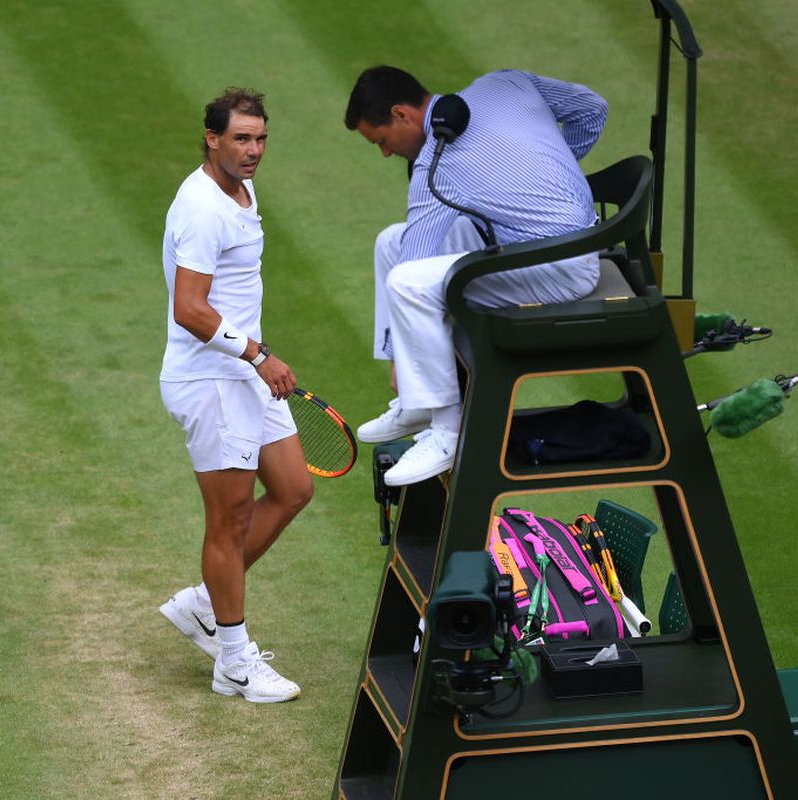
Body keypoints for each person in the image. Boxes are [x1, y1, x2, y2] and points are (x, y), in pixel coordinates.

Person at [344, 66, 608, 486]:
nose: (386, 153)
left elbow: (416, 261)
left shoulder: (438, 162)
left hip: (560, 270)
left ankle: (446, 431)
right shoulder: (504, 83)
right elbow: (592, 108)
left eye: (381, 142)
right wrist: (548, 172)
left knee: (407, 281)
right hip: (549, 242)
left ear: (401, 115)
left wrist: (399, 357)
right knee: (390, 242)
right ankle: (416, 403)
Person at [158, 87, 312, 703]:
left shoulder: (243, 191)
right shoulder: (201, 208)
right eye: (241, 139)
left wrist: (255, 355)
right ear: (212, 139)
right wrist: (256, 353)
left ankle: (203, 603)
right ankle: (233, 663)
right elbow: (190, 308)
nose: (253, 151)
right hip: (211, 379)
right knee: (230, 521)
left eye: (261, 139)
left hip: (244, 369)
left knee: (294, 488)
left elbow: (233, 292)